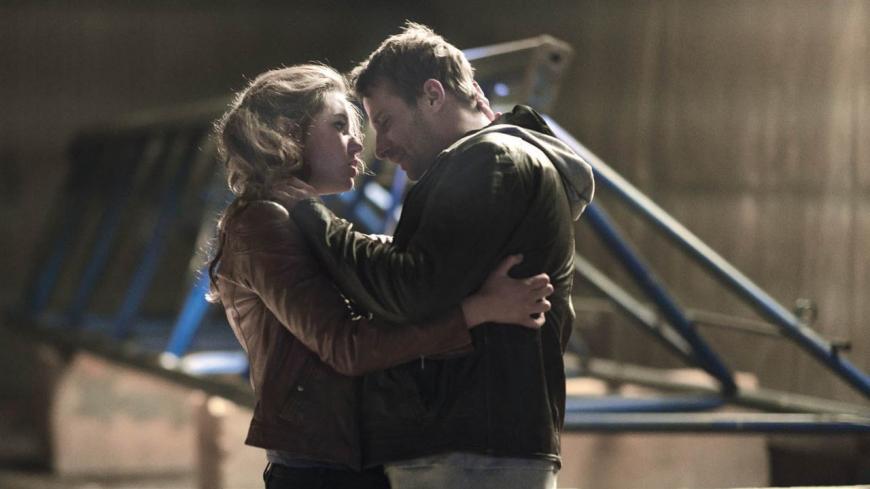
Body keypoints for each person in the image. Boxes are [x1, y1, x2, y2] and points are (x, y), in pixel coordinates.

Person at [276, 24, 595, 489]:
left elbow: (411, 291)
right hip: (477, 445)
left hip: (473, 449)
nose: (382, 148)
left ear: (432, 95)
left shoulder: (489, 159)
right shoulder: (486, 162)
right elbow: (428, 278)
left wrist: (308, 212)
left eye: (385, 121)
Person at [207, 64, 555, 489]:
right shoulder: (262, 223)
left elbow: (388, 275)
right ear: (287, 133)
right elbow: (345, 345)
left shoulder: (295, 221)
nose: (359, 143)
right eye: (339, 126)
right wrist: (479, 310)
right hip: (321, 468)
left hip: (350, 457)